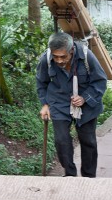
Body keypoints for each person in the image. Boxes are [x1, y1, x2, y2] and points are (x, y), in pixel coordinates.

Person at [36, 32, 107, 177]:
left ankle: (88, 176)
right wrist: (45, 104)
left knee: (88, 141)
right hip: (58, 102)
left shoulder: (87, 56)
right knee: (61, 140)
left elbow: (100, 81)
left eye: (63, 56)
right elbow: (41, 82)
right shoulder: (46, 59)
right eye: (56, 57)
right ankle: (70, 174)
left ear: (72, 50)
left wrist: (85, 98)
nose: (59, 61)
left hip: (86, 104)